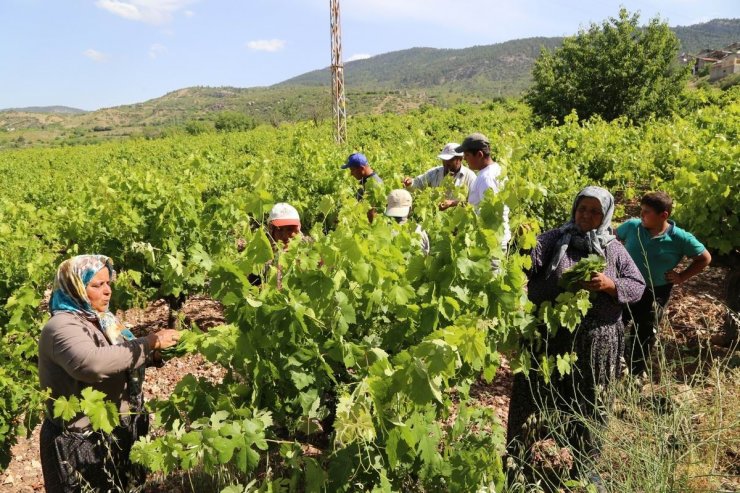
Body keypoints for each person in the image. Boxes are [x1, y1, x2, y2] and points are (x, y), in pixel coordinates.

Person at [506, 187, 645, 488]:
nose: (587, 216)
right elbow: (524, 263)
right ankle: (521, 462)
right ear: (574, 209)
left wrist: (609, 284)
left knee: (588, 405)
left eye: (595, 211)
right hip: (549, 339)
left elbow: (637, 286)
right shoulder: (554, 239)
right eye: (583, 208)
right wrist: (520, 240)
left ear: (605, 215)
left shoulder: (614, 249)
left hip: (596, 343)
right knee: (535, 399)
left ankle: (582, 468)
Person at [38, 255, 180, 493]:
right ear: (75, 287)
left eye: (108, 283)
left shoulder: (102, 320)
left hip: (117, 427)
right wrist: (149, 344)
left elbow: (118, 356)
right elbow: (92, 365)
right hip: (81, 440)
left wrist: (157, 355)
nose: (107, 291)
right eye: (97, 285)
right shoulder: (61, 327)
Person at [617, 191, 711, 375]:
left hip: (655, 291)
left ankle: (636, 372)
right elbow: (613, 240)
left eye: (647, 212)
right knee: (616, 324)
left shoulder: (680, 238)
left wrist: (682, 276)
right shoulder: (632, 226)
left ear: (664, 215)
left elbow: (705, 258)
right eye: (641, 210)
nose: (641, 215)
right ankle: (615, 364)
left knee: (645, 331)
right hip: (624, 286)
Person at [439, 133, 511, 248]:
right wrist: (453, 203)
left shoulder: (486, 179)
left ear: (479, 154)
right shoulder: (496, 170)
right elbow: (478, 205)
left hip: (490, 242)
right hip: (492, 239)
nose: (465, 159)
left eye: (467, 155)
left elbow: (492, 215)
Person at [402, 143, 476, 193]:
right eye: (444, 159)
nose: (445, 162)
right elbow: (418, 183)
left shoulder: (470, 177)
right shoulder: (435, 172)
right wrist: (410, 183)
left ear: (459, 159)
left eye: (449, 160)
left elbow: (474, 202)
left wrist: (454, 203)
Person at [384, 189, 430, 255]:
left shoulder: (384, 230)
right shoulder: (419, 230)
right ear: (410, 209)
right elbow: (426, 255)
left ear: (387, 207)